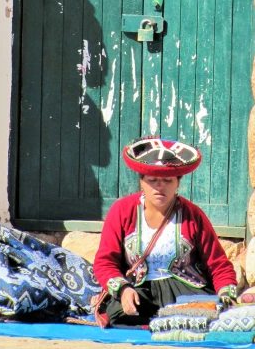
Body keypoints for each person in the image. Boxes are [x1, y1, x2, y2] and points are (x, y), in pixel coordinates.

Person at [93, 137, 238, 326]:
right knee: (121, 314)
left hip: (185, 293)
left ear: (178, 182)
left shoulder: (193, 216)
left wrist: (227, 296)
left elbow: (218, 265)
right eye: (152, 180)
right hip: (139, 291)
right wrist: (123, 290)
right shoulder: (122, 211)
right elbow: (105, 262)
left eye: (167, 180)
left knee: (204, 315)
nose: (160, 187)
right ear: (142, 182)